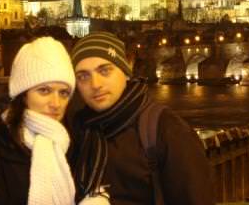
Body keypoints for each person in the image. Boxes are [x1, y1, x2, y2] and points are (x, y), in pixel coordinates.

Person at [70, 31, 215, 205]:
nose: (95, 84)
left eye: (105, 70)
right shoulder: (77, 131)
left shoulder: (166, 130)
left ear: (125, 70)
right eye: (83, 76)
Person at [0, 37, 78, 205]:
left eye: (64, 93)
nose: (56, 103)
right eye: (44, 90)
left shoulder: (73, 142)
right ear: (23, 95)